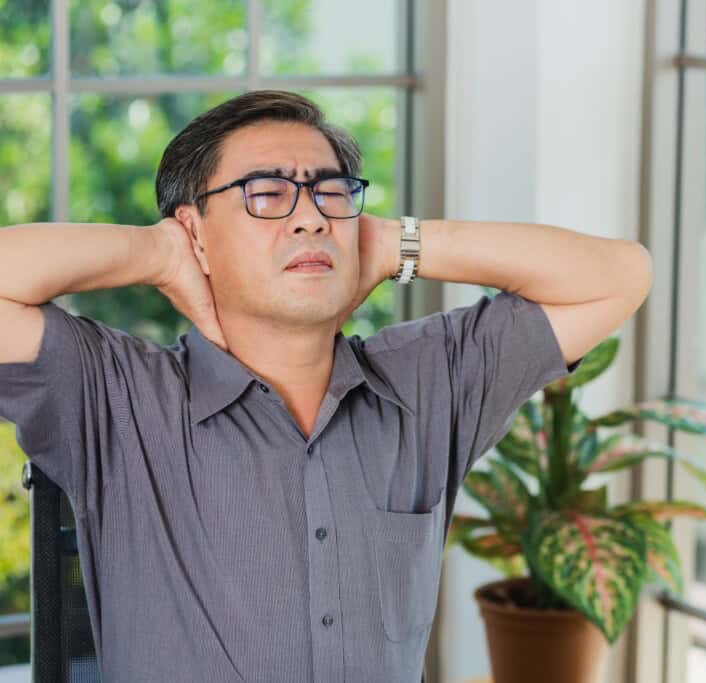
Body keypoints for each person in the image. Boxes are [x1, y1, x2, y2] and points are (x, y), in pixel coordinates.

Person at [0, 89, 653, 682]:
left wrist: (399, 243)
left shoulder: (428, 382)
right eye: (265, 192)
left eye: (330, 192)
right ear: (194, 229)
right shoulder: (117, 398)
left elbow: (620, 276)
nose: (311, 218)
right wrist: (158, 253)